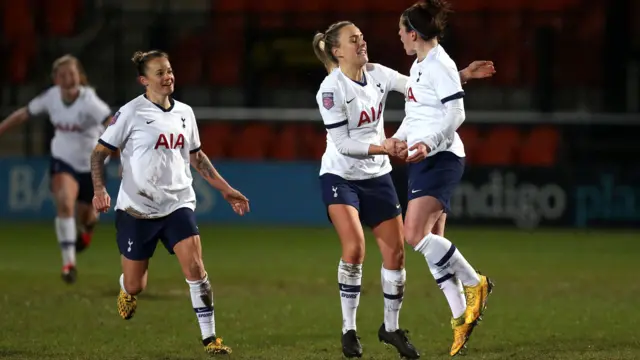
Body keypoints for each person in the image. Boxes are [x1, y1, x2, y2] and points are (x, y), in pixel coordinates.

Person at [313, 20, 494, 359]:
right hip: (340, 175)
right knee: (354, 248)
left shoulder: (378, 73)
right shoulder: (330, 89)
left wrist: (463, 75)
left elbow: (422, 88)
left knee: (396, 255)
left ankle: (391, 328)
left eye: (362, 37)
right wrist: (387, 147)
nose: (362, 43)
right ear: (337, 51)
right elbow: (342, 143)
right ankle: (348, 329)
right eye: (354, 40)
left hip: (377, 176)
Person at [90, 50, 250, 355]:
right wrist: (100, 190)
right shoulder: (130, 113)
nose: (168, 77)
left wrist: (225, 189)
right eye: (160, 73)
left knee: (196, 268)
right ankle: (126, 289)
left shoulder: (185, 113)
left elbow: (197, 157)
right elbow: (99, 153)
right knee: (137, 285)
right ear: (143, 80)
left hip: (178, 204)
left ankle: (210, 338)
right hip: (136, 209)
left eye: (170, 70)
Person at [383, 0, 495, 356]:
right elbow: (420, 111)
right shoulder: (421, 65)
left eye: (401, 32)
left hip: (441, 157)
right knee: (433, 245)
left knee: (414, 234)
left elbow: (456, 112)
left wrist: (429, 142)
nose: (399, 38)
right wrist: (399, 137)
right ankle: (462, 318)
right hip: (424, 158)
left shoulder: (438, 63)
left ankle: (476, 282)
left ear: (413, 34)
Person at [0, 54, 113, 284]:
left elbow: (112, 121)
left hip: (92, 167)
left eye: (71, 73)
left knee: (88, 218)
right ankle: (69, 264)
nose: (67, 78)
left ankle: (87, 232)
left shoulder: (89, 101)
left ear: (79, 76)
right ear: (55, 79)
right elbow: (25, 113)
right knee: (64, 202)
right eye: (62, 75)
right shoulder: (51, 97)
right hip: (64, 161)